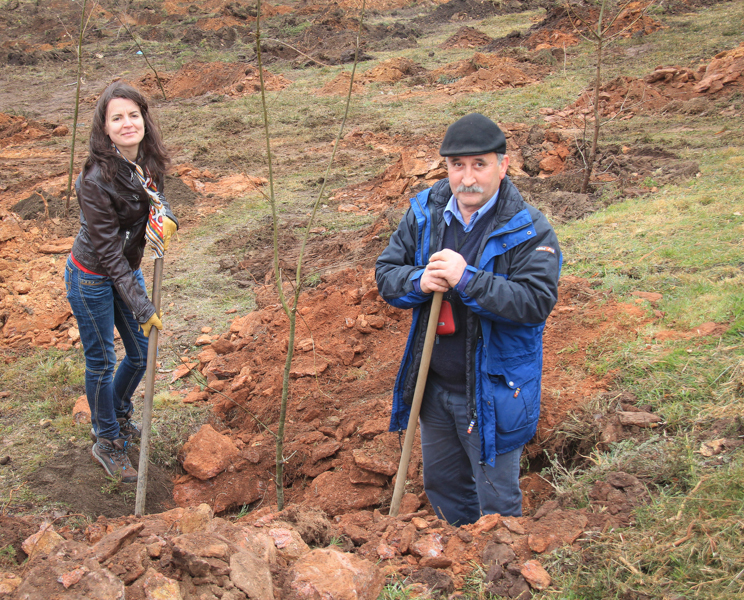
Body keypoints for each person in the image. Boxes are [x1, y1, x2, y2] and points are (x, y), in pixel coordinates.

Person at [376, 113, 561, 525]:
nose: (468, 177)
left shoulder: (529, 230)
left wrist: (467, 279)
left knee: (495, 503)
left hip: (493, 394)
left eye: (480, 164)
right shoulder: (425, 213)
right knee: (443, 489)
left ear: (503, 165)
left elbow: (534, 303)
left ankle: (497, 577)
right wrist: (419, 280)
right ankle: (454, 565)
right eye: (458, 165)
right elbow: (387, 275)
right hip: (433, 386)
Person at [65, 81, 178, 483]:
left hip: (123, 270)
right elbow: (109, 252)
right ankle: (106, 438)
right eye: (117, 118)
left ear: (143, 119)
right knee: (101, 362)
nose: (127, 123)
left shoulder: (149, 161)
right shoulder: (94, 180)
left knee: (142, 351)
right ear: (105, 127)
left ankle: (115, 411)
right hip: (92, 277)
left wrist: (161, 220)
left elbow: (152, 204)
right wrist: (142, 305)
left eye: (133, 115)